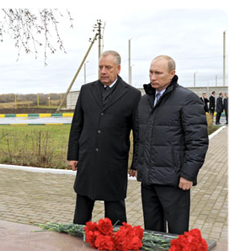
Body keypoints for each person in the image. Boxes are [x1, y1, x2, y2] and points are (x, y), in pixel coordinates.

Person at [133, 55, 208, 234]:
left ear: (172, 74)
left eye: (158, 73)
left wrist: (188, 175)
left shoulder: (187, 99)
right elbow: (139, 137)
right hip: (149, 180)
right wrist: (137, 165)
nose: (152, 77)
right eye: (150, 72)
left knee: (177, 235)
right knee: (152, 233)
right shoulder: (144, 101)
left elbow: (197, 141)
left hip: (174, 181)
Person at [67, 50, 141, 226]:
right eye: (100, 67)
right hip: (88, 160)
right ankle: (77, 240)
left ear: (118, 69)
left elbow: (138, 133)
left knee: (115, 212)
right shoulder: (86, 91)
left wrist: (136, 163)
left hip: (114, 162)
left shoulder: (132, 95)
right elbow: (77, 124)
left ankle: (117, 243)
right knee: (82, 207)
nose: (103, 71)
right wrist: (73, 155)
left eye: (108, 67)